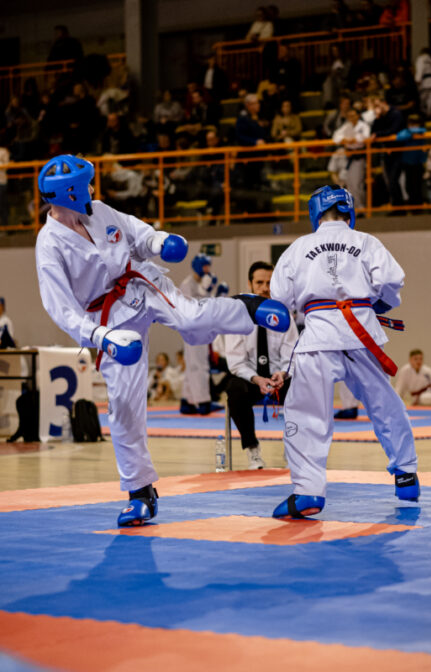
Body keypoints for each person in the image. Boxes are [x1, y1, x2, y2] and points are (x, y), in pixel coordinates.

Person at [35, 155, 291, 527]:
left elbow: (136, 234)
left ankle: (247, 308)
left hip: (140, 284)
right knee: (124, 404)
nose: (92, 189)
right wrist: (102, 338)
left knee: (192, 321)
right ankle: (140, 492)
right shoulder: (49, 246)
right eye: (86, 184)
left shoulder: (99, 211)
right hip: (108, 322)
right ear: (69, 194)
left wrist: (159, 241)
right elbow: (61, 310)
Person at [270, 184, 420, 520]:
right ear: (349, 211)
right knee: (385, 405)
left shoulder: (298, 247)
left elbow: (280, 298)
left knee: (307, 414)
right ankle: (406, 475)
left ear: (315, 213)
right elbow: (391, 283)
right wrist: (375, 303)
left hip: (318, 336)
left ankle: (308, 490)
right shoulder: (366, 241)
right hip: (362, 332)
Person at [225, 261, 298, 469]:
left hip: (279, 379)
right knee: (234, 388)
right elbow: (235, 362)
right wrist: (257, 379)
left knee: (304, 386)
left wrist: (282, 374)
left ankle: (293, 448)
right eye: (259, 283)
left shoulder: (283, 314)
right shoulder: (236, 315)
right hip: (251, 380)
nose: (265, 288)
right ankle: (252, 449)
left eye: (269, 283)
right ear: (250, 284)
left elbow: (292, 355)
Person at [179, 254, 229, 415]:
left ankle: (187, 402)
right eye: (205, 266)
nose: (207, 270)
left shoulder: (202, 284)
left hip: (201, 329)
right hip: (193, 329)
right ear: (198, 266)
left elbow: (208, 306)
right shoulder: (187, 284)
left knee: (193, 366)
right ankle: (203, 402)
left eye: (208, 266)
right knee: (200, 365)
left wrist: (218, 295)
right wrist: (206, 291)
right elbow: (192, 308)